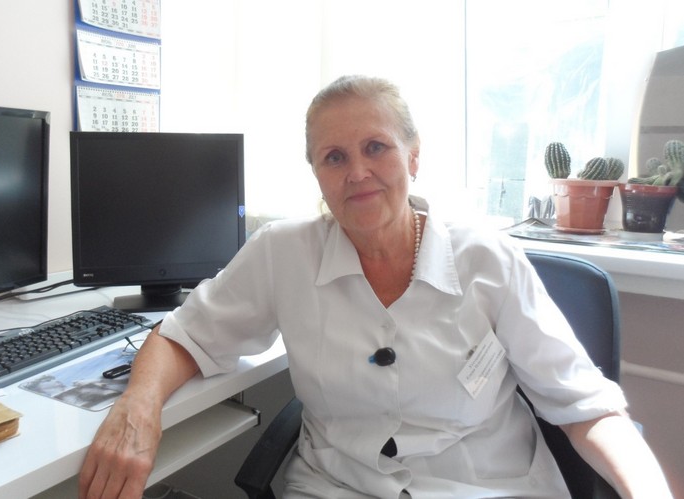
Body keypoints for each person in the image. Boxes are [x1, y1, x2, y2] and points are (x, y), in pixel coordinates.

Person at [79, 75, 672, 499]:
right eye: (334, 157)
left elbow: (587, 406)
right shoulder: (283, 253)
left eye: (376, 148)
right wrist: (138, 409)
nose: (357, 172)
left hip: (482, 486)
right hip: (338, 487)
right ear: (317, 174)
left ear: (413, 158)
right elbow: (183, 336)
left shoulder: (487, 260)